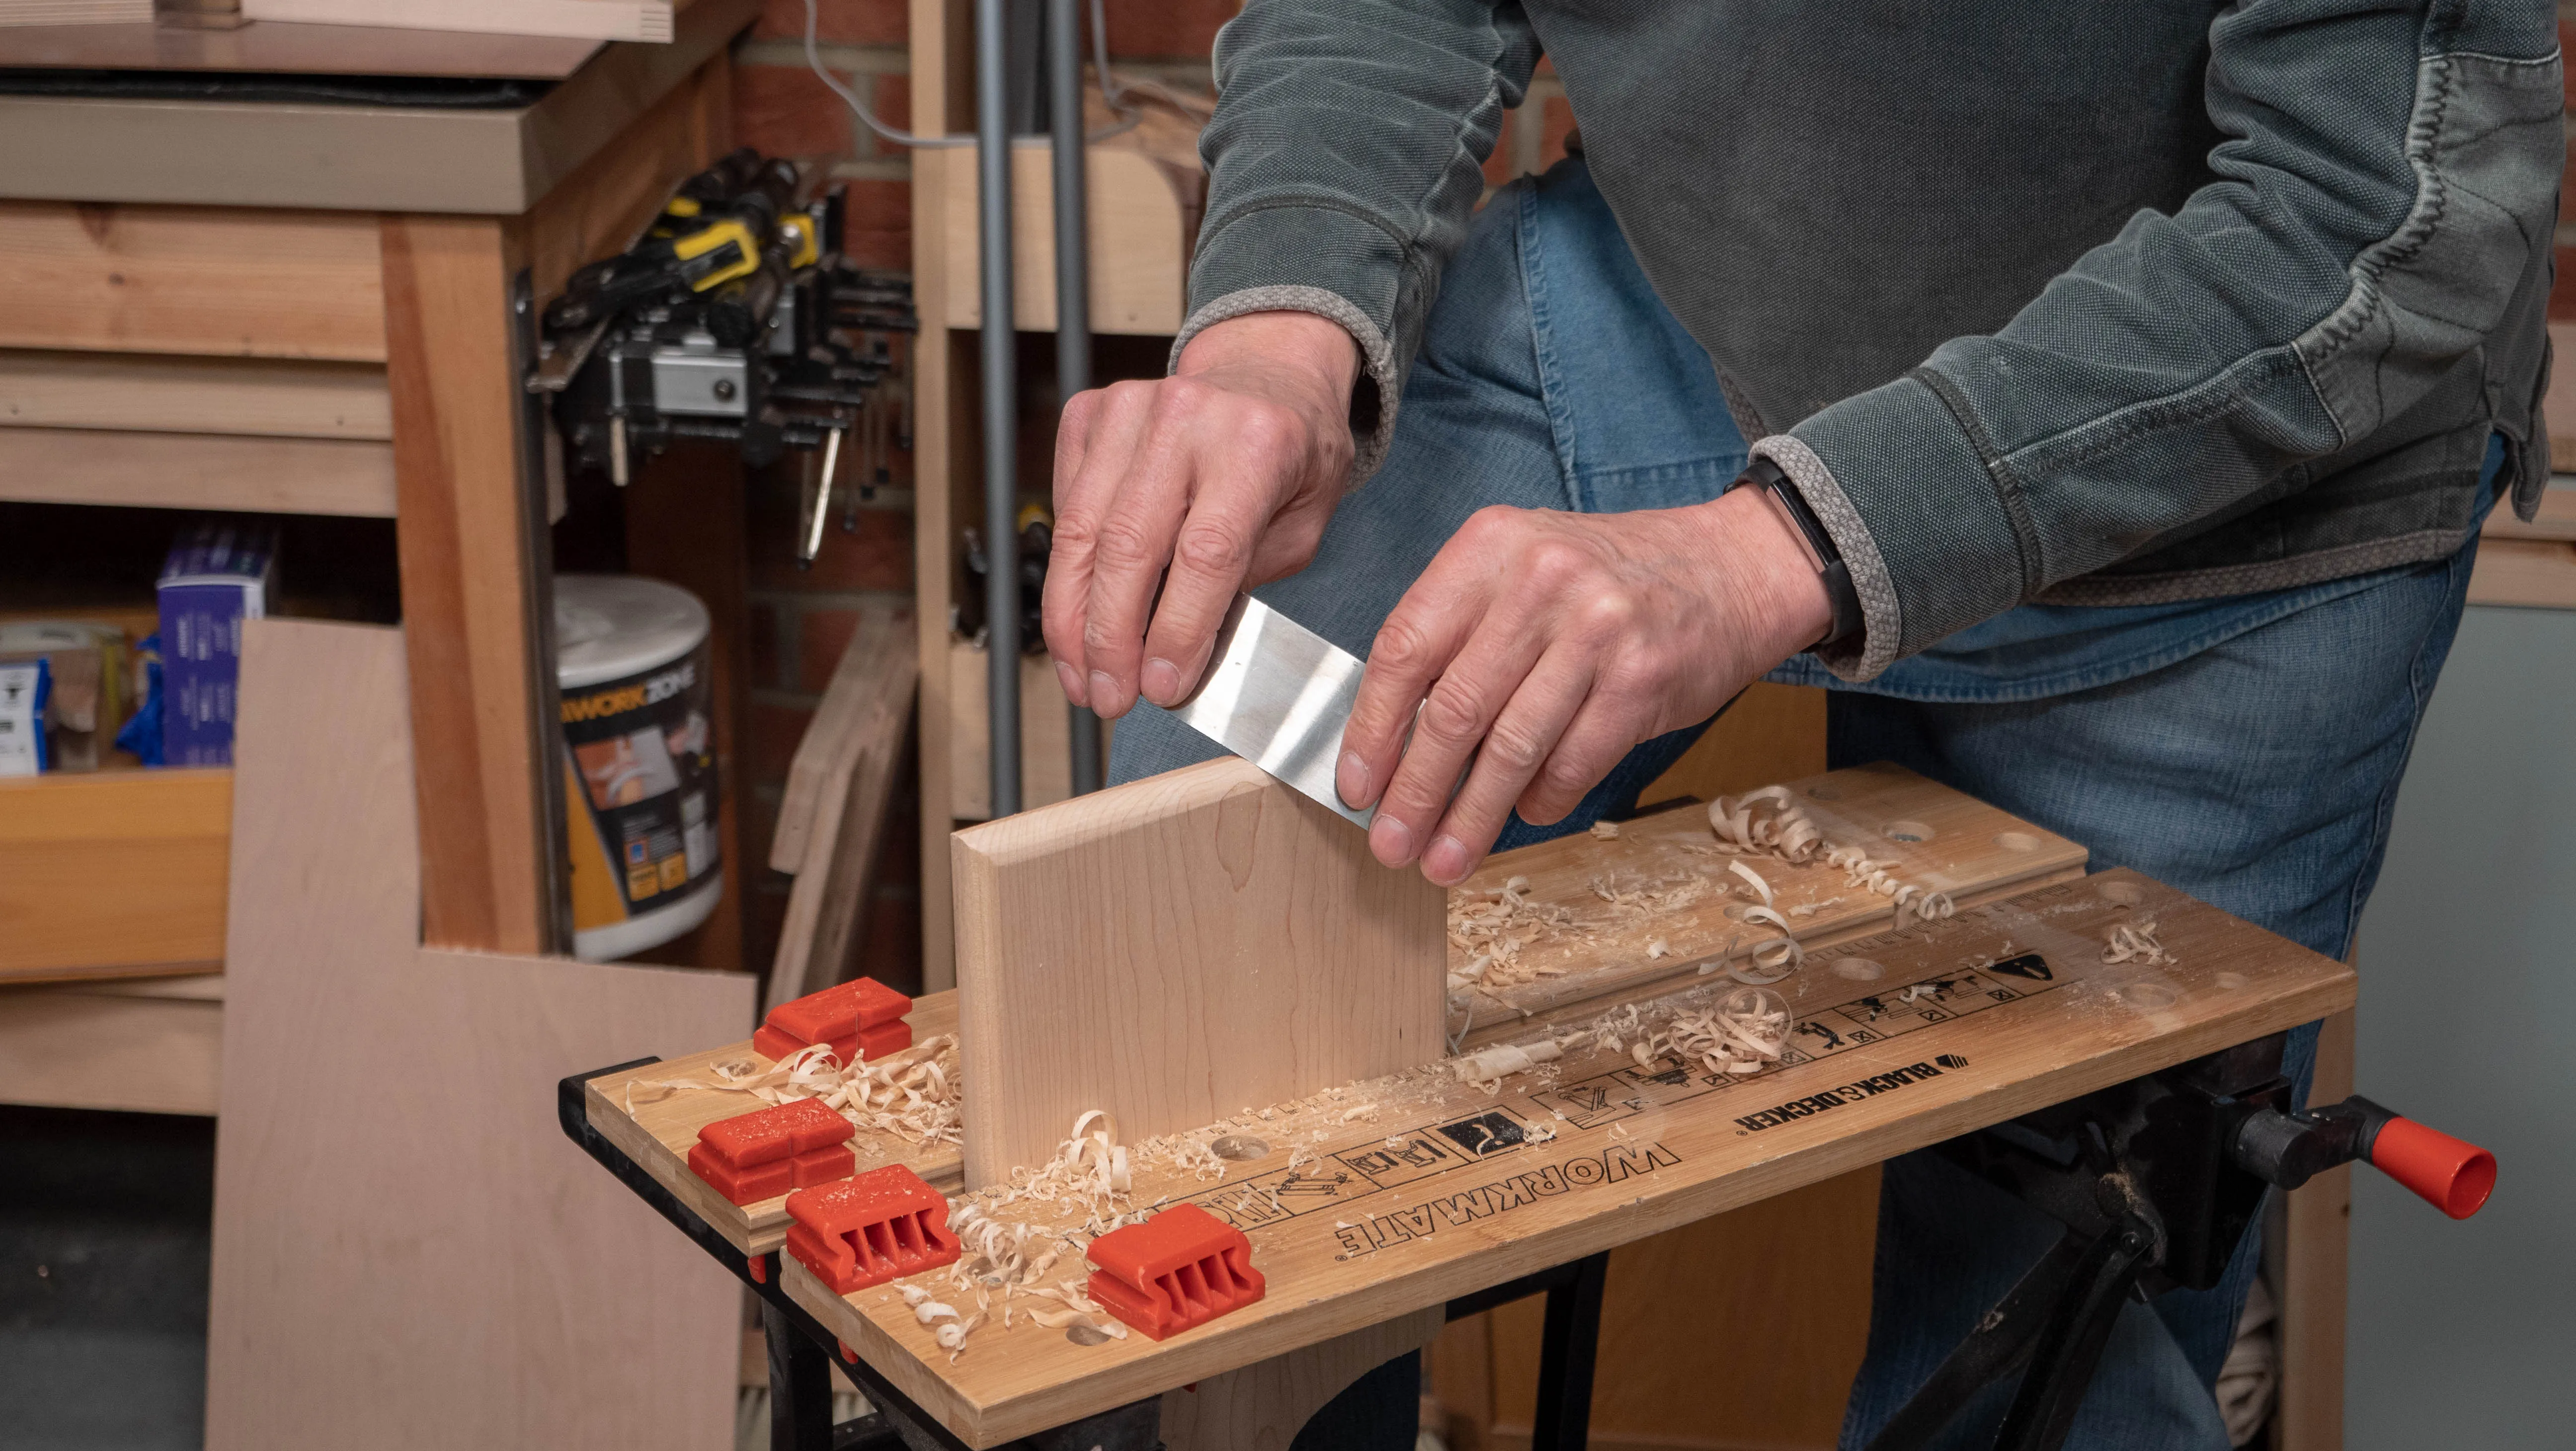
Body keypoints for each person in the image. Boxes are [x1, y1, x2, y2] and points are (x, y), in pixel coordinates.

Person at [1041, 3, 2562, 1446]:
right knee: (1183, 1017)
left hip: (2213, 471)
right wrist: (1281, 330)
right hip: (1675, 299)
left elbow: (2378, 202)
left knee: (2049, 1321)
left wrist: (1777, 555)